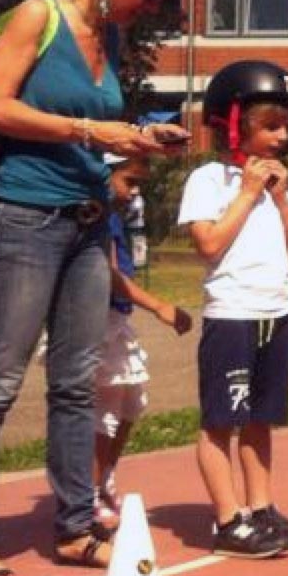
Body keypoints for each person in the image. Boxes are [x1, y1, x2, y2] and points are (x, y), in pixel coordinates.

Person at [0, 0, 185, 576]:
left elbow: (92, 130)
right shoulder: (37, 17)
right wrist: (90, 127)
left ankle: (76, 527)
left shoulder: (110, 38)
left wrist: (137, 138)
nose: (153, 4)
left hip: (88, 225)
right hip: (24, 219)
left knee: (78, 385)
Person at [179, 59, 288, 558]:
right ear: (233, 125)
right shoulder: (208, 181)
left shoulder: (282, 188)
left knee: (261, 419)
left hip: (278, 311)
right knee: (222, 420)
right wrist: (248, 192)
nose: (282, 137)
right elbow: (209, 245)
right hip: (233, 313)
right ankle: (227, 520)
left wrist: (278, 200)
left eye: (287, 127)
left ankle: (260, 508)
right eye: (271, 126)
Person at [93, 152, 194, 530]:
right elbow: (108, 273)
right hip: (95, 319)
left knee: (131, 403)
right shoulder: (95, 214)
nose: (134, 193)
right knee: (104, 408)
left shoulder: (116, 215)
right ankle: (87, 494)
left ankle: (102, 479)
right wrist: (159, 306)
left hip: (116, 317)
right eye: (129, 182)